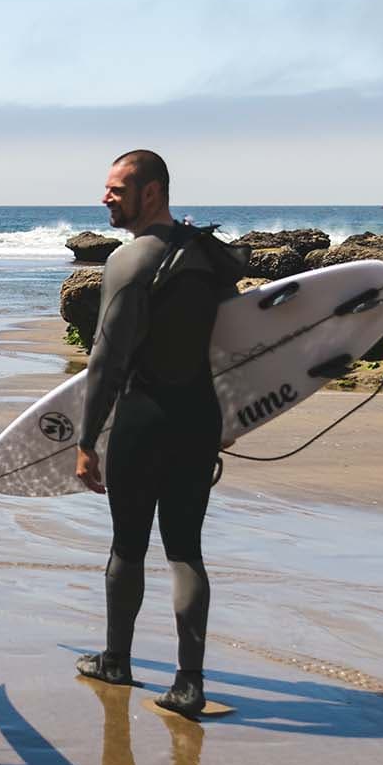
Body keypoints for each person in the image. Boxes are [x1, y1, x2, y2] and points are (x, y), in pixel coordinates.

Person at [71, 149, 245, 719]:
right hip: (198, 416)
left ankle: (116, 660)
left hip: (143, 419)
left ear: (151, 193)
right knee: (185, 550)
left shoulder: (130, 262)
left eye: (117, 189)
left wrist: (85, 440)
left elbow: (105, 361)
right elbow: (238, 346)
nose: (106, 198)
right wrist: (232, 416)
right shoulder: (208, 256)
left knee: (128, 544)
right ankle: (189, 682)